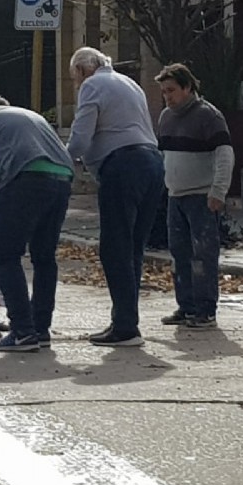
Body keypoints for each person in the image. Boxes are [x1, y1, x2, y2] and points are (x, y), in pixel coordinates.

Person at [66, 46, 165, 347]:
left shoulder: (93, 85)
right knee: (133, 246)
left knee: (114, 247)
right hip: (152, 164)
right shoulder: (129, 84)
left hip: (122, 167)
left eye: (75, 78)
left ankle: (124, 326)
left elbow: (81, 137)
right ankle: (127, 321)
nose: (76, 85)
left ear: (83, 70)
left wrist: (62, 160)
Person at [0, 95, 74, 352]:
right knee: (44, 256)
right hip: (62, 176)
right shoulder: (29, 116)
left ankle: (22, 331)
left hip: (26, 176)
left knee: (4, 253)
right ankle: (40, 328)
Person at [154, 63, 234, 329]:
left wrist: (218, 191)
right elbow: (164, 155)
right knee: (179, 253)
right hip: (175, 196)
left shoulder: (208, 116)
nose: (167, 96)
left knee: (203, 255)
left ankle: (205, 310)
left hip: (201, 196)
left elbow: (224, 154)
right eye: (164, 91)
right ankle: (185, 305)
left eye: (172, 90)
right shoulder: (166, 117)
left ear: (188, 87)